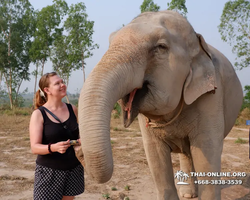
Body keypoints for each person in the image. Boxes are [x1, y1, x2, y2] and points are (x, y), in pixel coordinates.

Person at [29, 72, 84, 200]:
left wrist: (81, 140)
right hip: (49, 172)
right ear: (47, 90)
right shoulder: (39, 114)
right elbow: (35, 148)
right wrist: (53, 147)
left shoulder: (73, 109)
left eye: (62, 82)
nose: (62, 85)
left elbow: (79, 134)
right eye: (57, 83)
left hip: (73, 168)